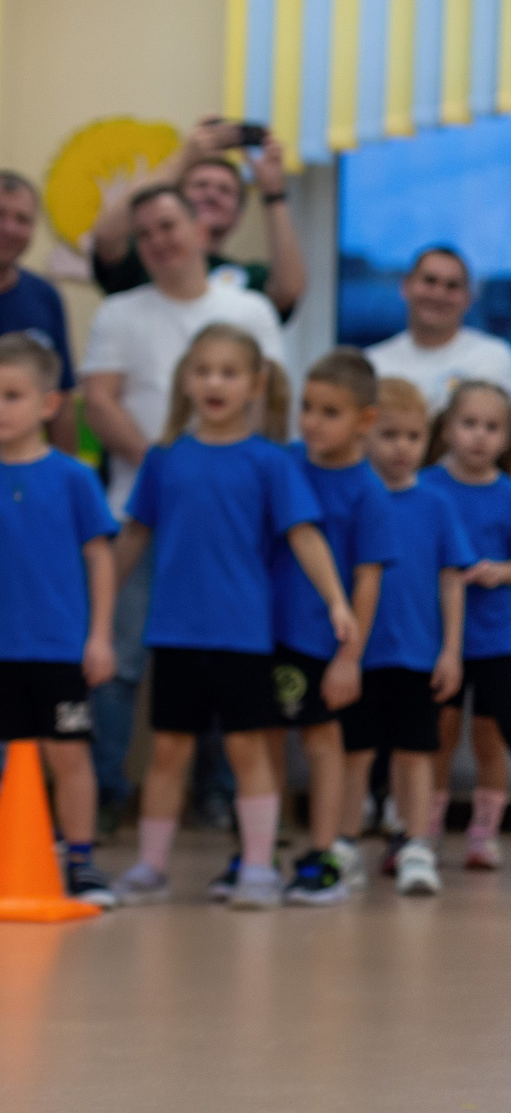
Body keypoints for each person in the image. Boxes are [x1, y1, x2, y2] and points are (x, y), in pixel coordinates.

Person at [108, 327, 350, 909]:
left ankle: (259, 868)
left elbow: (304, 536)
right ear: (187, 380)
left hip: (243, 633)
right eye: (204, 371)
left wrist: (338, 600)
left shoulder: (270, 462)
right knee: (169, 753)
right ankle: (150, 865)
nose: (214, 383)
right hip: (175, 631)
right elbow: (134, 535)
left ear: (255, 385)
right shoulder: (165, 460)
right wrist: (94, 605)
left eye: (229, 372)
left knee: (248, 753)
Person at [77, 185, 290, 820]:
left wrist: (226, 481)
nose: (159, 240)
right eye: (145, 234)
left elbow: (273, 400)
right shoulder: (119, 311)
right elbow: (100, 401)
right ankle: (111, 794)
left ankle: (222, 794)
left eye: (169, 224)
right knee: (118, 661)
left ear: (201, 227)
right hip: (135, 512)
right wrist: (171, 473)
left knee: (233, 655)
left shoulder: (248, 309)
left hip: (234, 521)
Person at [421, 381, 511, 871]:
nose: (479, 437)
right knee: (437, 733)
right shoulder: (426, 488)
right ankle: (424, 828)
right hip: (437, 638)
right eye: (469, 425)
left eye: (491, 428)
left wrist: (497, 571)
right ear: (447, 429)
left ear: (507, 438)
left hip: (491, 638)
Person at [268, 350, 391, 906]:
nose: (313, 422)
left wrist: (349, 657)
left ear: (366, 420)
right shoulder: (286, 463)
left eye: (330, 412)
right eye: (307, 408)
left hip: (324, 639)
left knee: (323, 742)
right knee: (264, 737)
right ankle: (260, 847)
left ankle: (323, 854)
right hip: (268, 630)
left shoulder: (369, 492)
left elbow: (367, 582)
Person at [0, 333, 118, 906]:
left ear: (49, 405)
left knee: (68, 755)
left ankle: (81, 861)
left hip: (57, 647)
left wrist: (98, 637)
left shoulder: (73, 476)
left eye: (12, 395)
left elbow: (100, 558)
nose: (1, 408)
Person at [342, 379, 470, 898]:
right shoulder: (353, 498)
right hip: (359, 655)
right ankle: (344, 843)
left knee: (416, 753)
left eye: (414, 437)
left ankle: (417, 842)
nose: (402, 447)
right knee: (355, 752)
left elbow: (452, 578)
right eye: (390, 435)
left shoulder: (437, 505)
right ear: (367, 434)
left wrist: (451, 649)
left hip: (418, 653)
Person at [88, 120, 306, 320]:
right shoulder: (148, 259)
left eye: (225, 190)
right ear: (177, 200)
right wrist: (183, 159)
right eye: (200, 185)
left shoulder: (248, 278)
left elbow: (288, 291)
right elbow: (106, 235)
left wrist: (274, 192)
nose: (211, 194)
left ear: (238, 215)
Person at [364, 247, 511, 411]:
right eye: (430, 281)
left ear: (468, 298)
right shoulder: (373, 365)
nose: (439, 294)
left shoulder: (492, 357)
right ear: (406, 286)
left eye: (452, 286)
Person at [0, 173, 74, 450]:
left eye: (22, 220)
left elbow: (62, 398)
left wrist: (64, 477)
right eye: (0, 214)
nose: (9, 228)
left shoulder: (45, 296)